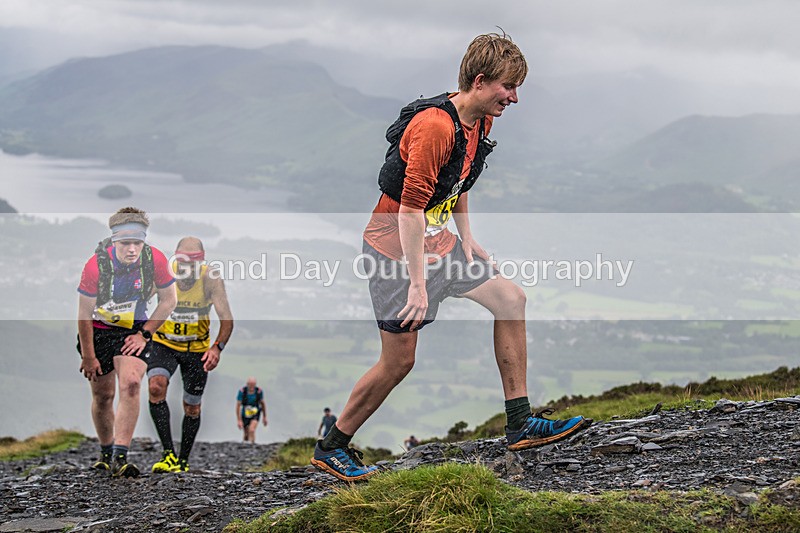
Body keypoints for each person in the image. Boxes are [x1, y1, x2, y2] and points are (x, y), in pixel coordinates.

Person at [311, 32, 591, 482]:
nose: (514, 97)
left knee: (511, 300)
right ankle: (332, 447)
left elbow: (457, 184)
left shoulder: (480, 120)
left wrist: (468, 238)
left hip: (438, 242)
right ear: (480, 81)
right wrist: (418, 285)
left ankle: (520, 423)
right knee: (399, 361)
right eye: (508, 86)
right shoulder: (434, 127)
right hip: (394, 252)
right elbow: (409, 209)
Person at [77, 207, 177, 477]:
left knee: (132, 384)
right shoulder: (95, 265)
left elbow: (170, 301)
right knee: (103, 395)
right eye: (125, 243)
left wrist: (145, 333)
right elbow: (84, 315)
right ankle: (106, 451)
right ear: (114, 241)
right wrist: (88, 356)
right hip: (98, 330)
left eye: (137, 242)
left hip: (133, 330)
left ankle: (121, 456)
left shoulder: (154, 260)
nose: (132, 249)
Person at [148, 237, 234, 473]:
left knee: (192, 406)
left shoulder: (210, 279)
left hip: (196, 349)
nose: (186, 267)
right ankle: (168, 455)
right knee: (156, 387)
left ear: (201, 261)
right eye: (182, 261)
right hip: (163, 343)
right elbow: (139, 298)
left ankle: (183, 460)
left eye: (193, 262)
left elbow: (227, 319)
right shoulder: (164, 274)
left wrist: (217, 348)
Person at [236, 377, 267, 443]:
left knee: (252, 430)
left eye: (253, 385)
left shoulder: (259, 391)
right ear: (247, 384)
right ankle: (246, 447)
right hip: (245, 413)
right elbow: (238, 406)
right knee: (246, 434)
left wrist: (264, 417)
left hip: (255, 413)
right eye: (250, 385)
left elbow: (263, 404)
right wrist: (239, 420)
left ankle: (252, 445)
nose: (252, 387)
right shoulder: (242, 391)